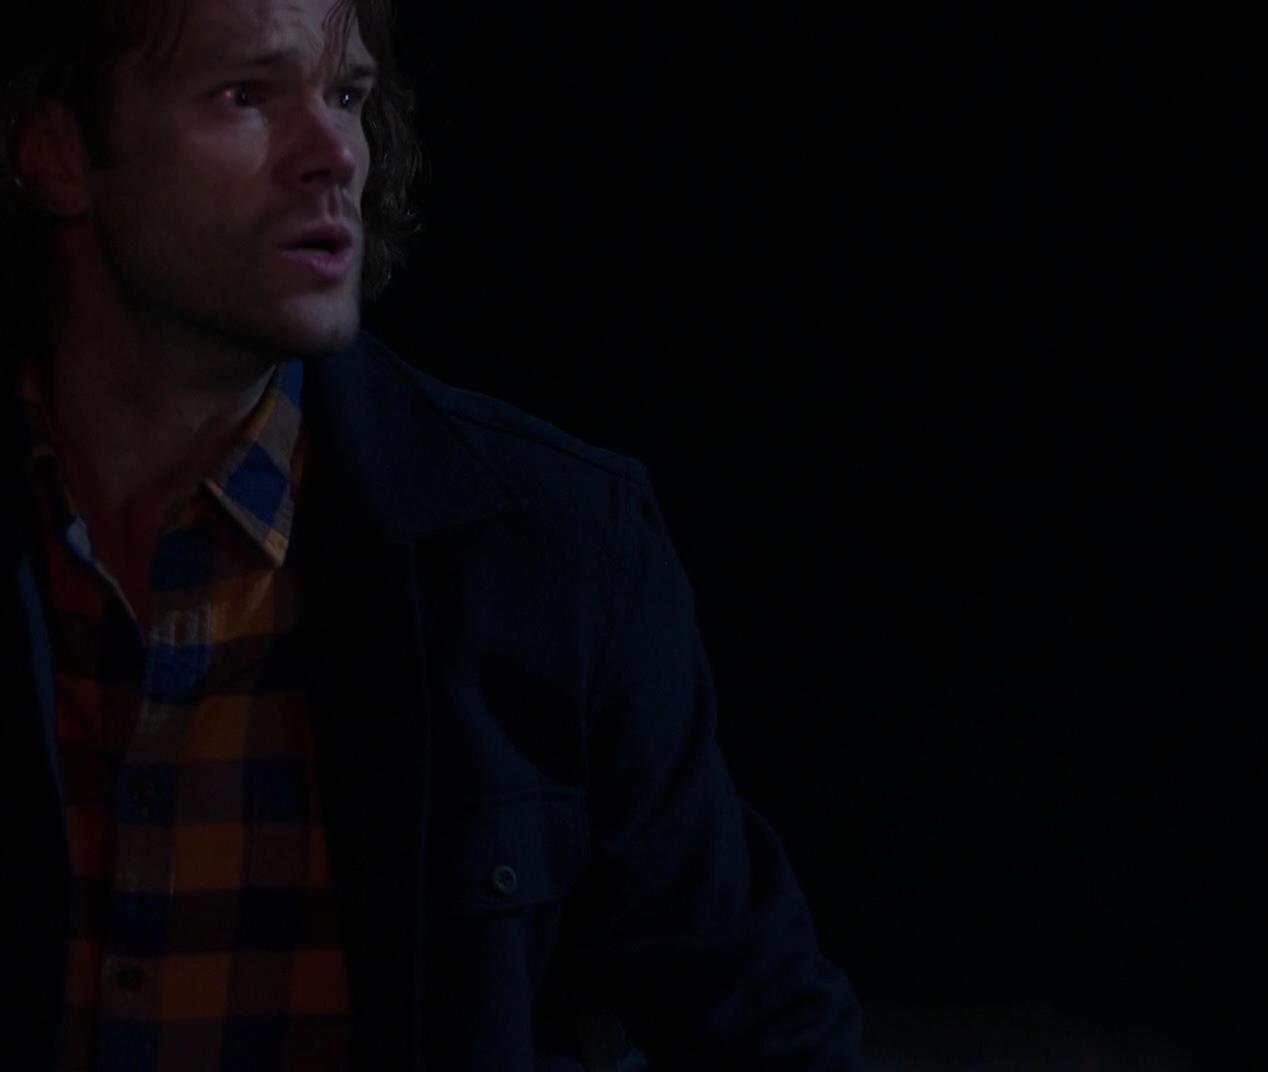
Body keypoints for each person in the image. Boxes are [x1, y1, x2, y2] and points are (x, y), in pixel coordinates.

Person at [0, 0, 864, 1066]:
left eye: (346, 94)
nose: (334, 154)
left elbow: (762, 1023)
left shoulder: (544, 547)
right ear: (60, 155)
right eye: (245, 95)